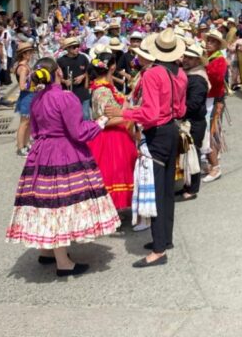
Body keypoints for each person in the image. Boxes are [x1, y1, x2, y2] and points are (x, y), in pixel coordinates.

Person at [5, 58, 121, 277]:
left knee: (45, 200)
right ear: (58, 71)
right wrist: (102, 121)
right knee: (61, 202)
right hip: (64, 152)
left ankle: (46, 250)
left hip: (41, 152)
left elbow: (36, 130)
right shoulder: (65, 98)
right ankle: (63, 262)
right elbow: (78, 132)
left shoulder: (37, 98)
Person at [105, 29, 187, 268]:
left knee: (158, 191)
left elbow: (150, 114)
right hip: (172, 128)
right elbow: (181, 110)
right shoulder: (180, 73)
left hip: (158, 133)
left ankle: (159, 249)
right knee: (167, 190)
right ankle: (165, 240)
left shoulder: (153, 74)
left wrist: (123, 113)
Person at [86, 53, 138, 212]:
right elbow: (104, 120)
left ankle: (111, 209)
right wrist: (130, 114)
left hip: (116, 133)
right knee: (113, 172)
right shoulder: (102, 90)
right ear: (113, 66)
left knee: (114, 172)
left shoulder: (105, 86)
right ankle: (109, 210)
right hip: (111, 136)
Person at [180, 44, 208, 200]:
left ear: (197, 60)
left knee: (193, 155)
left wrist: (178, 110)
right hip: (191, 120)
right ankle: (188, 184)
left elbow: (194, 104)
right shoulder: (192, 74)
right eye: (186, 57)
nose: (186, 60)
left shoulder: (197, 79)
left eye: (190, 58)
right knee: (187, 155)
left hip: (194, 122)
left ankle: (193, 188)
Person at [202, 30, 227, 183]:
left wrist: (204, 66)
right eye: (208, 40)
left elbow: (217, 79)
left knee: (211, 132)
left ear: (218, 45)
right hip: (207, 98)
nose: (208, 43)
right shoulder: (209, 57)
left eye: (212, 41)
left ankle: (215, 167)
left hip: (214, 98)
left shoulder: (219, 59)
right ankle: (210, 162)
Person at [57, 37, 91, 120]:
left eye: (78, 46)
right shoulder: (60, 61)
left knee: (85, 116)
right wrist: (64, 81)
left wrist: (82, 76)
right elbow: (56, 77)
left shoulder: (83, 58)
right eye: (74, 47)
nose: (77, 48)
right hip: (68, 93)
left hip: (83, 92)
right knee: (71, 117)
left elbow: (89, 71)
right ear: (67, 48)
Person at [13, 42, 36, 156]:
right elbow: (22, 86)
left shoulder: (25, 66)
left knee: (29, 123)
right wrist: (35, 86)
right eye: (29, 52)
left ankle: (26, 144)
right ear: (24, 54)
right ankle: (20, 147)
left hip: (30, 96)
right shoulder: (23, 68)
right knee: (24, 123)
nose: (31, 54)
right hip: (27, 97)